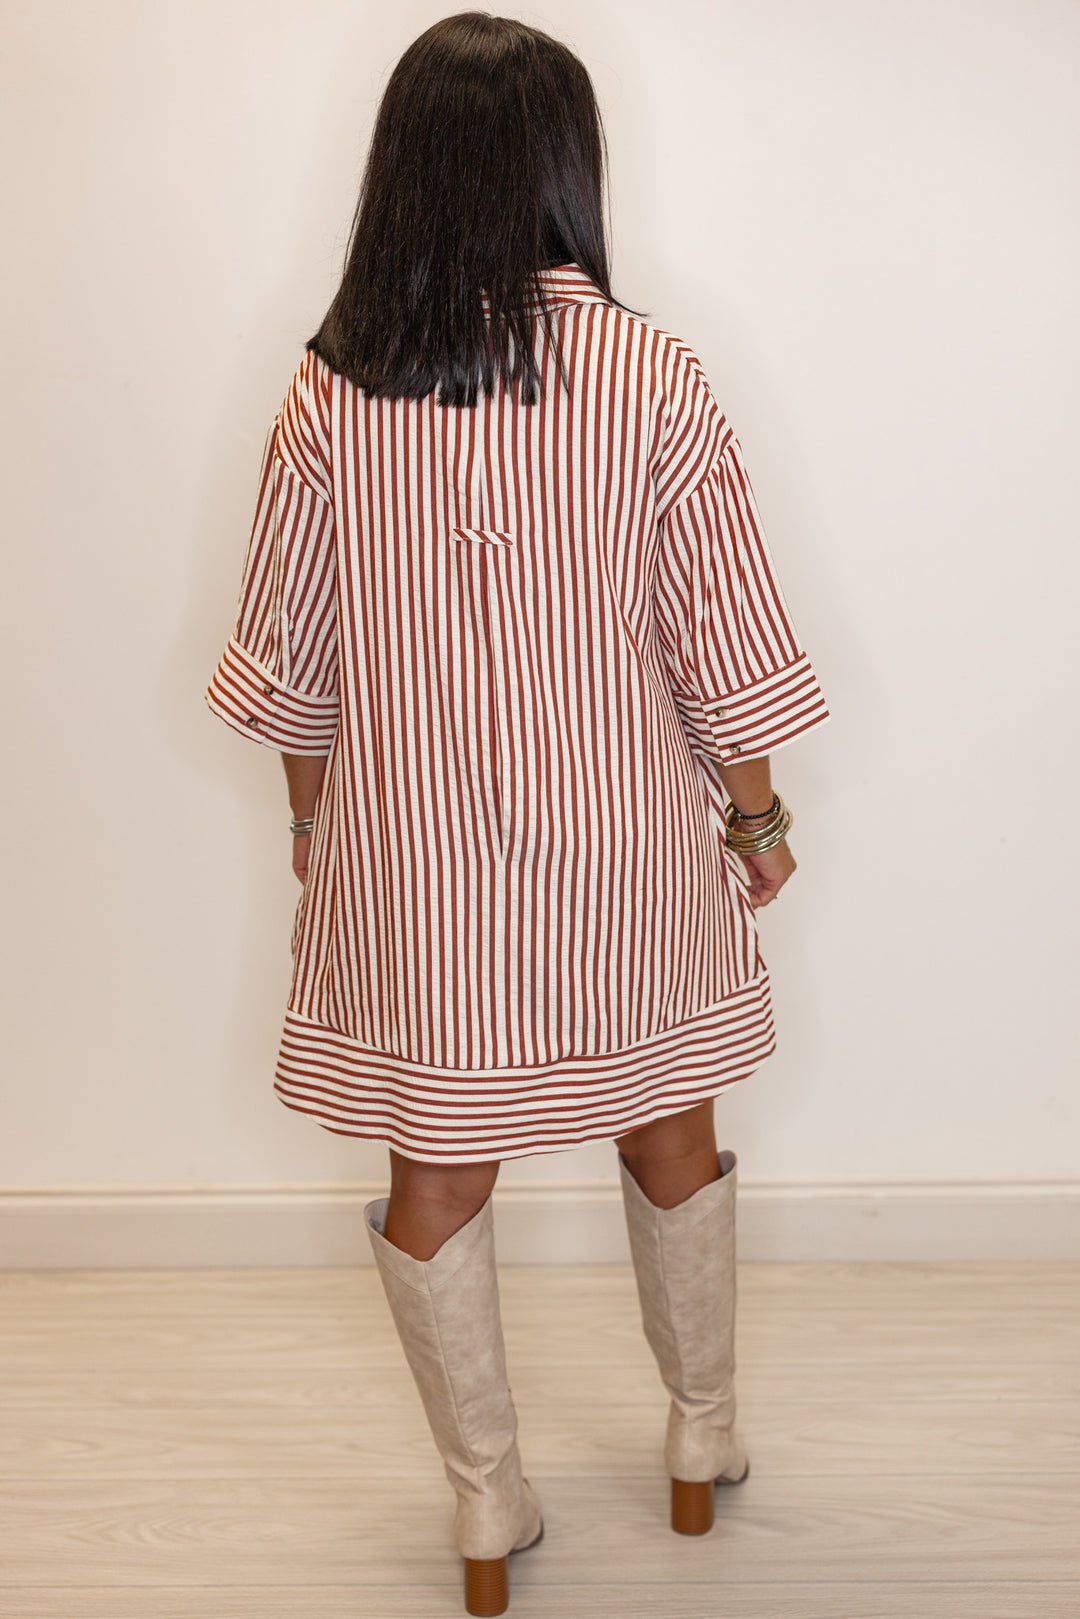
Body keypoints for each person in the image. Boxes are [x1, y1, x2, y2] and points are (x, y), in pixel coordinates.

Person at [206, 13, 829, 1615]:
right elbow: (724, 631)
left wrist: (311, 831)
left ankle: (487, 1507)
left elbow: (293, 655)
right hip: (627, 845)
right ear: (567, 167)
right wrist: (755, 820)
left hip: (414, 866)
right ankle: (700, 1440)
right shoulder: (654, 375)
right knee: (671, 1121)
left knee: (441, 1165)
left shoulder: (333, 391)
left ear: (402, 172)